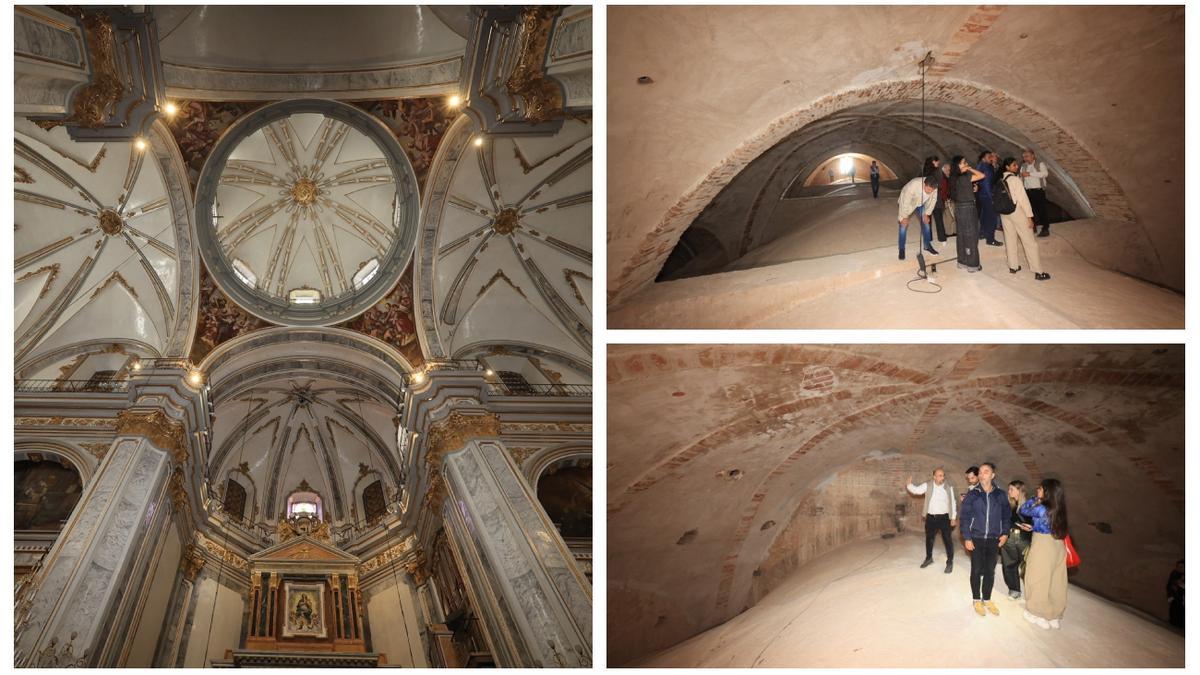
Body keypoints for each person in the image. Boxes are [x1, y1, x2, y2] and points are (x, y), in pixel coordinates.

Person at [961, 462, 1011, 617]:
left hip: (993, 539)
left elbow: (1006, 516)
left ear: (992, 475)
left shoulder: (1000, 495)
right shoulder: (972, 494)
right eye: (981, 472)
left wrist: (1005, 533)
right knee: (976, 570)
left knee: (990, 570)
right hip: (976, 537)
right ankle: (976, 599)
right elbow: (965, 518)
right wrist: (967, 537)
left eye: (986, 472)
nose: (982, 474)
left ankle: (987, 599)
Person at [1019, 478, 1069, 629]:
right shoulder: (1059, 508)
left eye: (1039, 489)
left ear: (1046, 492)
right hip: (1058, 545)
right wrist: (1033, 527)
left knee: (1038, 577)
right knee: (1057, 580)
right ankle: (1054, 615)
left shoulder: (1042, 508)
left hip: (1043, 545)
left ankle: (1036, 612)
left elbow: (1023, 509)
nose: (1037, 491)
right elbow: (1049, 526)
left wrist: (1035, 499)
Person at [999, 157, 1051, 281]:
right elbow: (1024, 200)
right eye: (1014, 165)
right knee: (1029, 242)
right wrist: (1029, 217)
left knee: (1010, 239)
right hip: (1017, 212)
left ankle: (1013, 266)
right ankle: (1038, 271)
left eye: (1016, 165)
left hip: (1004, 213)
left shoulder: (1001, 179)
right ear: (1007, 167)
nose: (1017, 167)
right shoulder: (1015, 180)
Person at [906, 468, 958, 573]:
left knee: (947, 540)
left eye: (943, 475)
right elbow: (916, 490)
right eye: (939, 475)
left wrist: (953, 518)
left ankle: (950, 562)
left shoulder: (948, 487)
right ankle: (929, 558)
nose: (941, 477)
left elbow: (953, 502)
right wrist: (909, 485)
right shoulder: (928, 485)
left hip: (944, 518)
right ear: (934, 476)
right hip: (931, 518)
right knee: (929, 539)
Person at [949, 156, 986, 272]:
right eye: (964, 163)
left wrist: (972, 189)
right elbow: (982, 175)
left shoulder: (953, 177)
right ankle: (972, 264)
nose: (966, 163)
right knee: (971, 234)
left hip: (959, 208)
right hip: (968, 208)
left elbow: (962, 190)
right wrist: (970, 168)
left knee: (961, 235)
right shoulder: (964, 176)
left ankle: (962, 261)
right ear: (958, 166)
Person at [1001, 480, 1034, 599]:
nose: (1009, 492)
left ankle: (1033, 594)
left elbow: (1037, 522)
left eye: (1012, 489)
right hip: (1009, 537)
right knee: (1008, 564)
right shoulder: (1009, 505)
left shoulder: (1030, 505)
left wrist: (1031, 527)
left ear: (1020, 491)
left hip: (1024, 539)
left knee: (1028, 568)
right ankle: (1014, 589)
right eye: (1009, 489)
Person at [896, 173, 939, 260]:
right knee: (903, 226)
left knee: (926, 224)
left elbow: (934, 200)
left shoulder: (934, 187)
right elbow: (905, 202)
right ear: (924, 184)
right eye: (928, 189)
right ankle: (901, 249)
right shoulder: (913, 185)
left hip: (921, 203)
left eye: (932, 190)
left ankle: (927, 246)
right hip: (908, 202)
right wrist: (904, 216)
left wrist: (927, 214)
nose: (930, 192)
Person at [1020, 150, 1051, 237]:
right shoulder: (1023, 166)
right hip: (1028, 191)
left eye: (1027, 156)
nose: (1025, 158)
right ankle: (1033, 227)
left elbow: (1045, 174)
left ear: (1033, 156)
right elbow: (1021, 177)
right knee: (1030, 210)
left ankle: (1045, 228)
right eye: (1024, 156)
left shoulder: (1040, 164)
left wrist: (1030, 174)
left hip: (1038, 191)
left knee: (1042, 210)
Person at [975, 151, 1003, 247]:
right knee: (992, 217)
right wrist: (991, 197)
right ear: (983, 158)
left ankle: (982, 233)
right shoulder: (987, 167)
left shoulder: (980, 165)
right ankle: (990, 239)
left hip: (982, 195)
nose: (991, 158)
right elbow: (987, 183)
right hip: (987, 195)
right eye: (989, 156)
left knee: (984, 214)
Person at [937, 162, 954, 241]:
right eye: (948, 170)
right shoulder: (943, 178)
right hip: (944, 200)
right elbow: (943, 191)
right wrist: (946, 199)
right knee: (947, 218)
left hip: (945, 199)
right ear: (944, 170)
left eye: (950, 170)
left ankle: (951, 232)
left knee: (949, 217)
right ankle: (948, 233)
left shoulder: (945, 177)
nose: (949, 171)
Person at [1166, 559, 1184, 629]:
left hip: (1182, 599)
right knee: (1173, 611)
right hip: (1175, 597)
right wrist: (1169, 596)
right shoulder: (1174, 573)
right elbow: (1169, 585)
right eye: (1178, 566)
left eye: (1182, 567)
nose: (1179, 568)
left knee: (1181, 613)